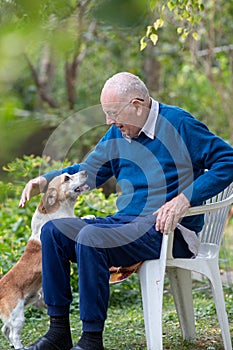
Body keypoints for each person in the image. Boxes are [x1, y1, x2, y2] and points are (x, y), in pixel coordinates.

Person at [19, 72, 233, 350]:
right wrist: (45, 180)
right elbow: (89, 172)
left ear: (136, 104)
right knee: (53, 232)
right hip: (127, 223)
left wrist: (184, 199)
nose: (109, 121)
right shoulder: (118, 133)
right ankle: (58, 331)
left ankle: (91, 340)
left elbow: (227, 160)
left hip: (170, 229)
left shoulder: (179, 124)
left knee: (93, 237)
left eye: (113, 113)